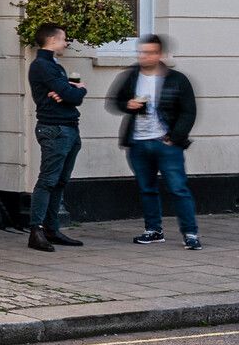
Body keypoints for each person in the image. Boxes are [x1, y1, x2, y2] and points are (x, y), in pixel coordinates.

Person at [107, 34, 200, 250]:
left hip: (166, 143)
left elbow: (188, 112)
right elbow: (115, 101)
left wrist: (175, 137)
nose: (144, 56)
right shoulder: (131, 76)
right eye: (141, 52)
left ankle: (190, 233)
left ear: (160, 55)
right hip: (138, 142)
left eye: (149, 53)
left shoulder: (177, 79)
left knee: (179, 189)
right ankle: (154, 230)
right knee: (147, 188)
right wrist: (126, 104)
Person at [26, 23, 87, 252]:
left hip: (68, 127)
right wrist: (78, 90)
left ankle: (51, 228)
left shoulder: (54, 66)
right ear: (52, 40)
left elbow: (67, 94)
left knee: (61, 180)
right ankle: (36, 230)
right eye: (64, 39)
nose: (66, 42)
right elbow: (72, 95)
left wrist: (68, 92)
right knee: (48, 180)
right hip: (55, 129)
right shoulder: (42, 66)